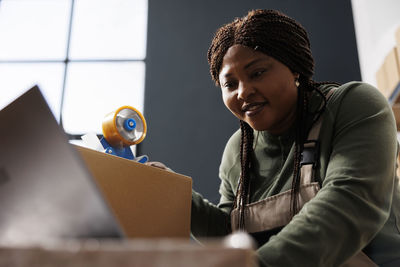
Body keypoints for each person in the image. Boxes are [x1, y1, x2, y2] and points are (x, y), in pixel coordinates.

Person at [148, 9, 400, 267]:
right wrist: (172, 193)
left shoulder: (353, 106)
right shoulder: (239, 150)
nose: (243, 92)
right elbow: (231, 236)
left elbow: (348, 202)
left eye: (257, 73)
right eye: (230, 84)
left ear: (294, 68)